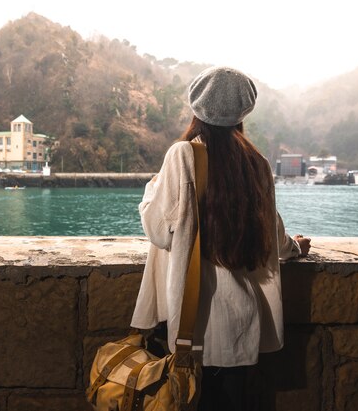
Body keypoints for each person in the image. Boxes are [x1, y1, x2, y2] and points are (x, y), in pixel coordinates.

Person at [130, 66, 311, 411]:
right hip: (242, 321)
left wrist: (153, 187)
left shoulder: (183, 155)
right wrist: (295, 249)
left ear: (197, 106)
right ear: (243, 112)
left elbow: (157, 231)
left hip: (193, 322)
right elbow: (271, 231)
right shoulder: (256, 163)